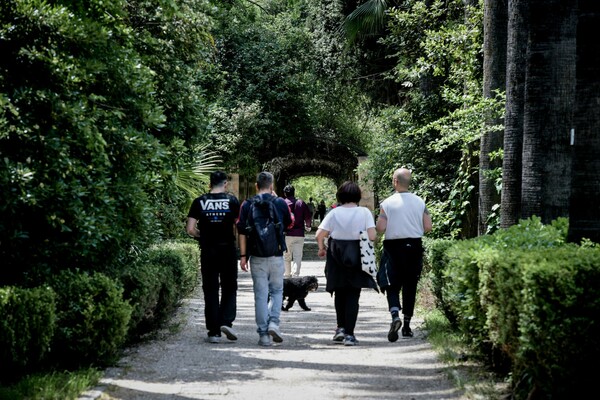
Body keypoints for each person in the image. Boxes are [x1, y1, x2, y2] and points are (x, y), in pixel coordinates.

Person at [315, 181, 378, 346]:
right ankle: (350, 334)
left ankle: (340, 329)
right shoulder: (364, 212)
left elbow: (319, 234)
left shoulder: (334, 213)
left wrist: (321, 248)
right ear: (357, 196)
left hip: (336, 256)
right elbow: (372, 236)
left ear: (340, 196)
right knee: (353, 295)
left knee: (339, 292)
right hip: (357, 255)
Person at [236, 172, 294, 347]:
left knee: (260, 295)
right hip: (276, 255)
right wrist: (277, 200)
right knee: (277, 291)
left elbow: (242, 231)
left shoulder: (247, 204)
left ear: (256, 186)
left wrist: (243, 256)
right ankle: (274, 323)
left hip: (256, 256)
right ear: (272, 185)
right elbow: (290, 223)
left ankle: (263, 336)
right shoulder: (280, 203)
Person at [376, 167, 432, 342]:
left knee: (390, 283)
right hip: (414, 246)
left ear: (395, 182)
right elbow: (428, 227)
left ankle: (395, 314)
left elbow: (380, 228)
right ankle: (407, 326)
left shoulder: (387, 203)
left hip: (393, 247)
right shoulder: (420, 202)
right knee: (410, 285)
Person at [186, 171, 241, 344]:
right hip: (227, 250)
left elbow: (190, 229)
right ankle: (226, 321)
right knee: (229, 286)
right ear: (225, 184)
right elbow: (239, 226)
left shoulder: (199, 201)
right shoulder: (232, 201)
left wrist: (203, 235)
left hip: (208, 250)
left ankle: (213, 332)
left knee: (210, 289)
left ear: (209, 184)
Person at [282, 185, 312, 278]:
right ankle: (295, 276)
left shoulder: (282, 203)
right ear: (294, 192)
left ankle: (287, 275)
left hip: (286, 234)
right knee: (297, 256)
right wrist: (308, 226)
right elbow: (308, 216)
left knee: (287, 256)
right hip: (299, 234)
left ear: (284, 193)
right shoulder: (301, 203)